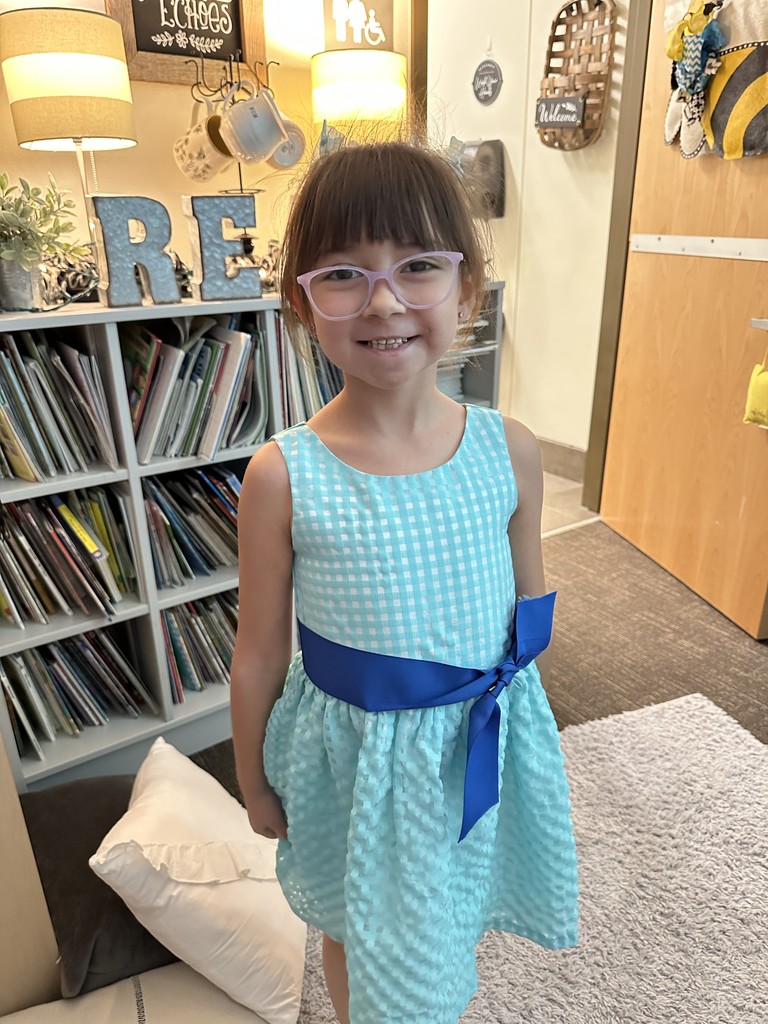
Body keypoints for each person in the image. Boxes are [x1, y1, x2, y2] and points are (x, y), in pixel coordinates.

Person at [230, 141, 580, 1024]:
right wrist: (251, 779)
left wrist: (521, 747)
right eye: (344, 275)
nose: (383, 301)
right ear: (303, 304)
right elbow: (259, 651)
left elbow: (528, 617)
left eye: (418, 265)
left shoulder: (510, 450)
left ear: (468, 288)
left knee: (446, 908)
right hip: (359, 765)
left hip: (468, 744)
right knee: (361, 925)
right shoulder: (284, 475)